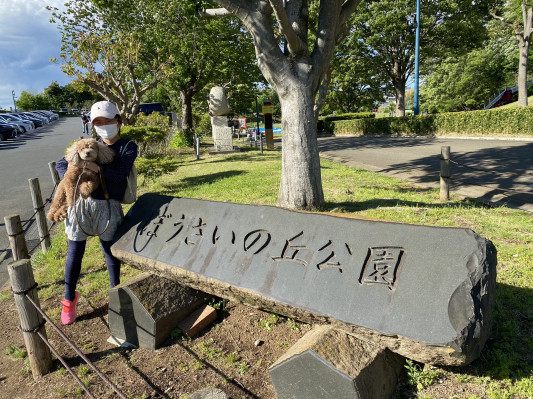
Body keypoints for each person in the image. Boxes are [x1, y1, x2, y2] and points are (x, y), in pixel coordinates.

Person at [56, 101, 138, 325]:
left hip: (108, 205)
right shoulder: (89, 143)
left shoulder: (128, 147)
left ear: (119, 121)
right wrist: (75, 170)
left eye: (108, 121)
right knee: (75, 251)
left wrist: (96, 168)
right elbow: (61, 165)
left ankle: (116, 293)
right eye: (98, 123)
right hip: (81, 205)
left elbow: (119, 175)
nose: (103, 126)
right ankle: (69, 298)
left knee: (109, 251)